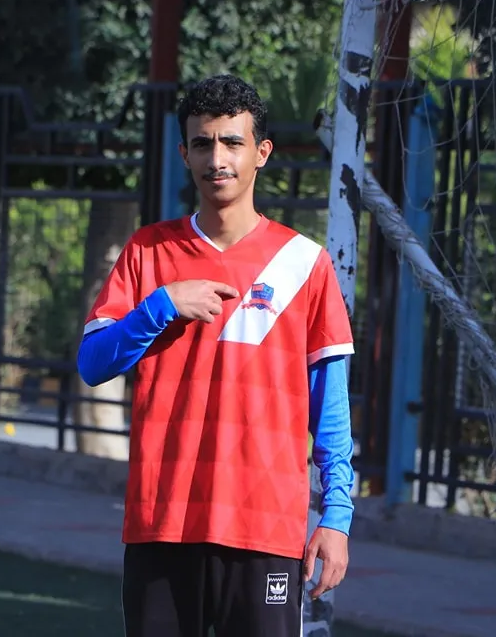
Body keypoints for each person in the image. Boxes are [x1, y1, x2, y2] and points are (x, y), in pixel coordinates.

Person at [76, 74, 355, 637]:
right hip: (161, 524)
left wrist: (338, 518)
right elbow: (93, 363)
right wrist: (161, 305)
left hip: (265, 528)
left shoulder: (305, 263)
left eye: (232, 142)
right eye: (203, 143)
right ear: (184, 153)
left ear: (261, 153)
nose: (217, 158)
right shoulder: (147, 251)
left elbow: (332, 409)